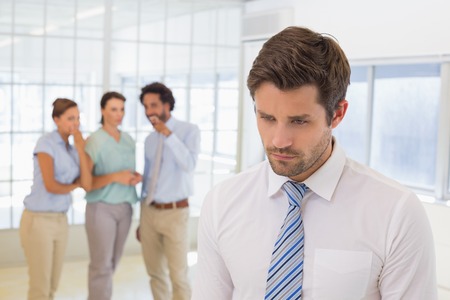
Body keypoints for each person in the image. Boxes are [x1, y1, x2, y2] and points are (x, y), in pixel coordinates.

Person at [192, 26, 437, 299]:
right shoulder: (222, 203)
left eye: (299, 121)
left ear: (337, 114)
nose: (279, 140)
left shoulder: (396, 212)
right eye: (267, 118)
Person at [19, 98, 92, 300]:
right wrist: (74, 185)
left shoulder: (73, 148)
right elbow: (51, 185)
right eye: (70, 118)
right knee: (40, 288)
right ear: (56, 120)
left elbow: (87, 183)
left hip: (61, 220)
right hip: (38, 220)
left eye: (77, 118)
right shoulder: (46, 143)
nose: (75, 123)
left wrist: (80, 149)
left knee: (52, 285)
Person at [136, 82, 201, 300]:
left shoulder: (188, 131)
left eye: (153, 105)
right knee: (155, 273)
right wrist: (140, 219)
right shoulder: (149, 140)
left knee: (179, 275)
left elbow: (189, 165)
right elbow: (148, 181)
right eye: (146, 106)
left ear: (167, 105)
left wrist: (168, 135)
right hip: (149, 213)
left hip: (175, 212)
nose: (149, 112)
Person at [84, 91, 142, 300]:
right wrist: (115, 176)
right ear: (102, 111)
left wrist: (133, 177)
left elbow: (126, 170)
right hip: (101, 208)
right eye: (113, 109)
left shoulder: (128, 140)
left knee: (113, 263)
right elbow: (88, 184)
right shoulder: (94, 140)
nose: (119, 114)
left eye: (122, 109)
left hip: (125, 208)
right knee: (101, 267)